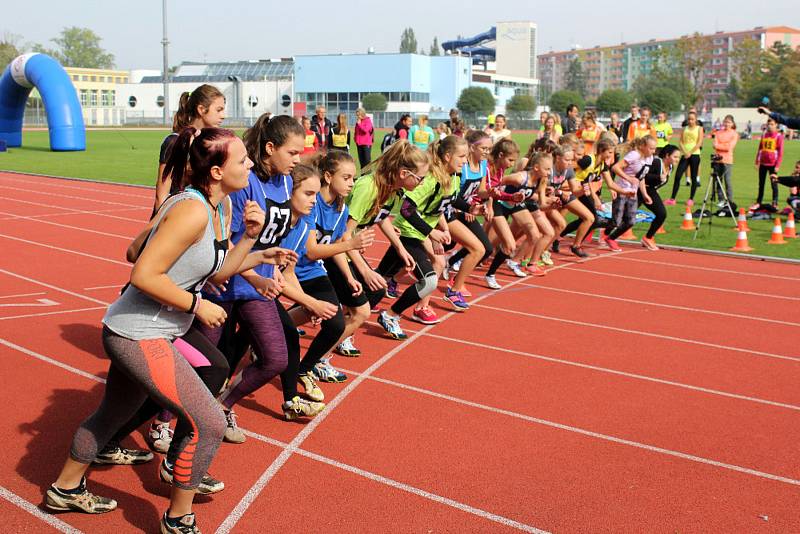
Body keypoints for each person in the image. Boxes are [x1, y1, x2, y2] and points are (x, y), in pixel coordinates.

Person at [46, 127, 266, 534]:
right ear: (217, 172)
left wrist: (251, 241)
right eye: (242, 161)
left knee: (115, 411)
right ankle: (178, 519)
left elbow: (212, 270)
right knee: (209, 422)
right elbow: (142, 269)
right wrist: (197, 305)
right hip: (139, 331)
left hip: (152, 328)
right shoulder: (192, 209)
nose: (250, 165)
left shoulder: (217, 208)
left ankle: (65, 488)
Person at [196, 115, 324, 441]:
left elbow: (272, 236)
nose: (299, 160)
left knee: (276, 358)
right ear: (270, 148)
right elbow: (229, 244)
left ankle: (222, 407)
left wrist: (277, 269)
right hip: (225, 283)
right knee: (200, 363)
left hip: (258, 285)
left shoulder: (284, 182)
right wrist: (255, 276)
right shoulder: (245, 183)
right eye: (293, 153)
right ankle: (163, 422)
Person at [345, 139, 430, 339]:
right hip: (335, 245)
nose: (422, 183)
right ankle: (340, 333)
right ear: (403, 174)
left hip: (349, 245)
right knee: (365, 290)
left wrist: (400, 248)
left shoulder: (392, 190)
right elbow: (344, 234)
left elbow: (381, 218)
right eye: (420, 178)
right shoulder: (369, 188)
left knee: (371, 291)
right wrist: (365, 271)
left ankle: (342, 329)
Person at [389, 136, 468, 323]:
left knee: (387, 270)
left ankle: (389, 285)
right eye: (462, 156)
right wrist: (431, 233)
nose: (465, 160)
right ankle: (413, 308)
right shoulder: (431, 178)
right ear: (448, 156)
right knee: (436, 265)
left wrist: (470, 210)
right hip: (408, 228)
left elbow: (443, 204)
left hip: (421, 229)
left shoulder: (453, 177)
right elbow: (407, 208)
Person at [154, 84, 226, 215]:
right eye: (219, 110)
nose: (223, 116)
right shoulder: (174, 142)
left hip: (197, 217)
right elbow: (161, 195)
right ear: (201, 109)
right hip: (174, 217)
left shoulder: (209, 143)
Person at [603, 136, 657, 251]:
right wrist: (628, 178)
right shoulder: (634, 155)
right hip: (621, 189)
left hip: (633, 193)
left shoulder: (650, 158)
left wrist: (645, 193)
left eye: (654, 148)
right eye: (651, 148)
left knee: (631, 221)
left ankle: (610, 238)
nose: (653, 151)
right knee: (616, 221)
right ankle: (593, 225)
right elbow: (615, 168)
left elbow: (641, 177)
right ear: (643, 146)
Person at [639, 144, 680, 250]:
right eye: (675, 157)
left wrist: (656, 189)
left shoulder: (671, 167)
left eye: (678, 157)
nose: (677, 159)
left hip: (651, 190)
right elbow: (643, 175)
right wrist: (658, 177)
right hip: (640, 189)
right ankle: (606, 233)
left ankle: (648, 237)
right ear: (667, 155)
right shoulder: (656, 162)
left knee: (661, 214)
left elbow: (659, 182)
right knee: (626, 216)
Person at [666, 111, 704, 206]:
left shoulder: (699, 129)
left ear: (696, 120)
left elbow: (699, 142)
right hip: (685, 154)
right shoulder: (685, 129)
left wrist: (690, 152)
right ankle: (672, 198)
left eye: (692, 119)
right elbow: (681, 142)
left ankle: (691, 199)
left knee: (694, 177)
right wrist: (685, 152)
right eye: (689, 119)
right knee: (678, 176)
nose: (690, 121)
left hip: (695, 155)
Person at [753, 116, 784, 209]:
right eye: (768, 124)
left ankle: (775, 202)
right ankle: (758, 201)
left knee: (774, 183)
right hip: (763, 163)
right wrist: (757, 162)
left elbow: (780, 152)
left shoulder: (779, 136)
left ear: (776, 125)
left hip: (773, 164)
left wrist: (777, 165)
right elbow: (760, 149)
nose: (770, 126)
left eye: (772, 124)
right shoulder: (764, 135)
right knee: (761, 184)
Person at [712, 115, 738, 208]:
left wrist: (719, 145)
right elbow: (714, 145)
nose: (727, 124)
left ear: (732, 124)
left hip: (727, 160)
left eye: (729, 122)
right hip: (717, 159)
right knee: (718, 180)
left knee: (727, 180)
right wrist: (723, 145)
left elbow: (729, 148)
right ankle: (721, 199)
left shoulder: (734, 134)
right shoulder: (718, 133)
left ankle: (729, 201)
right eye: (725, 122)